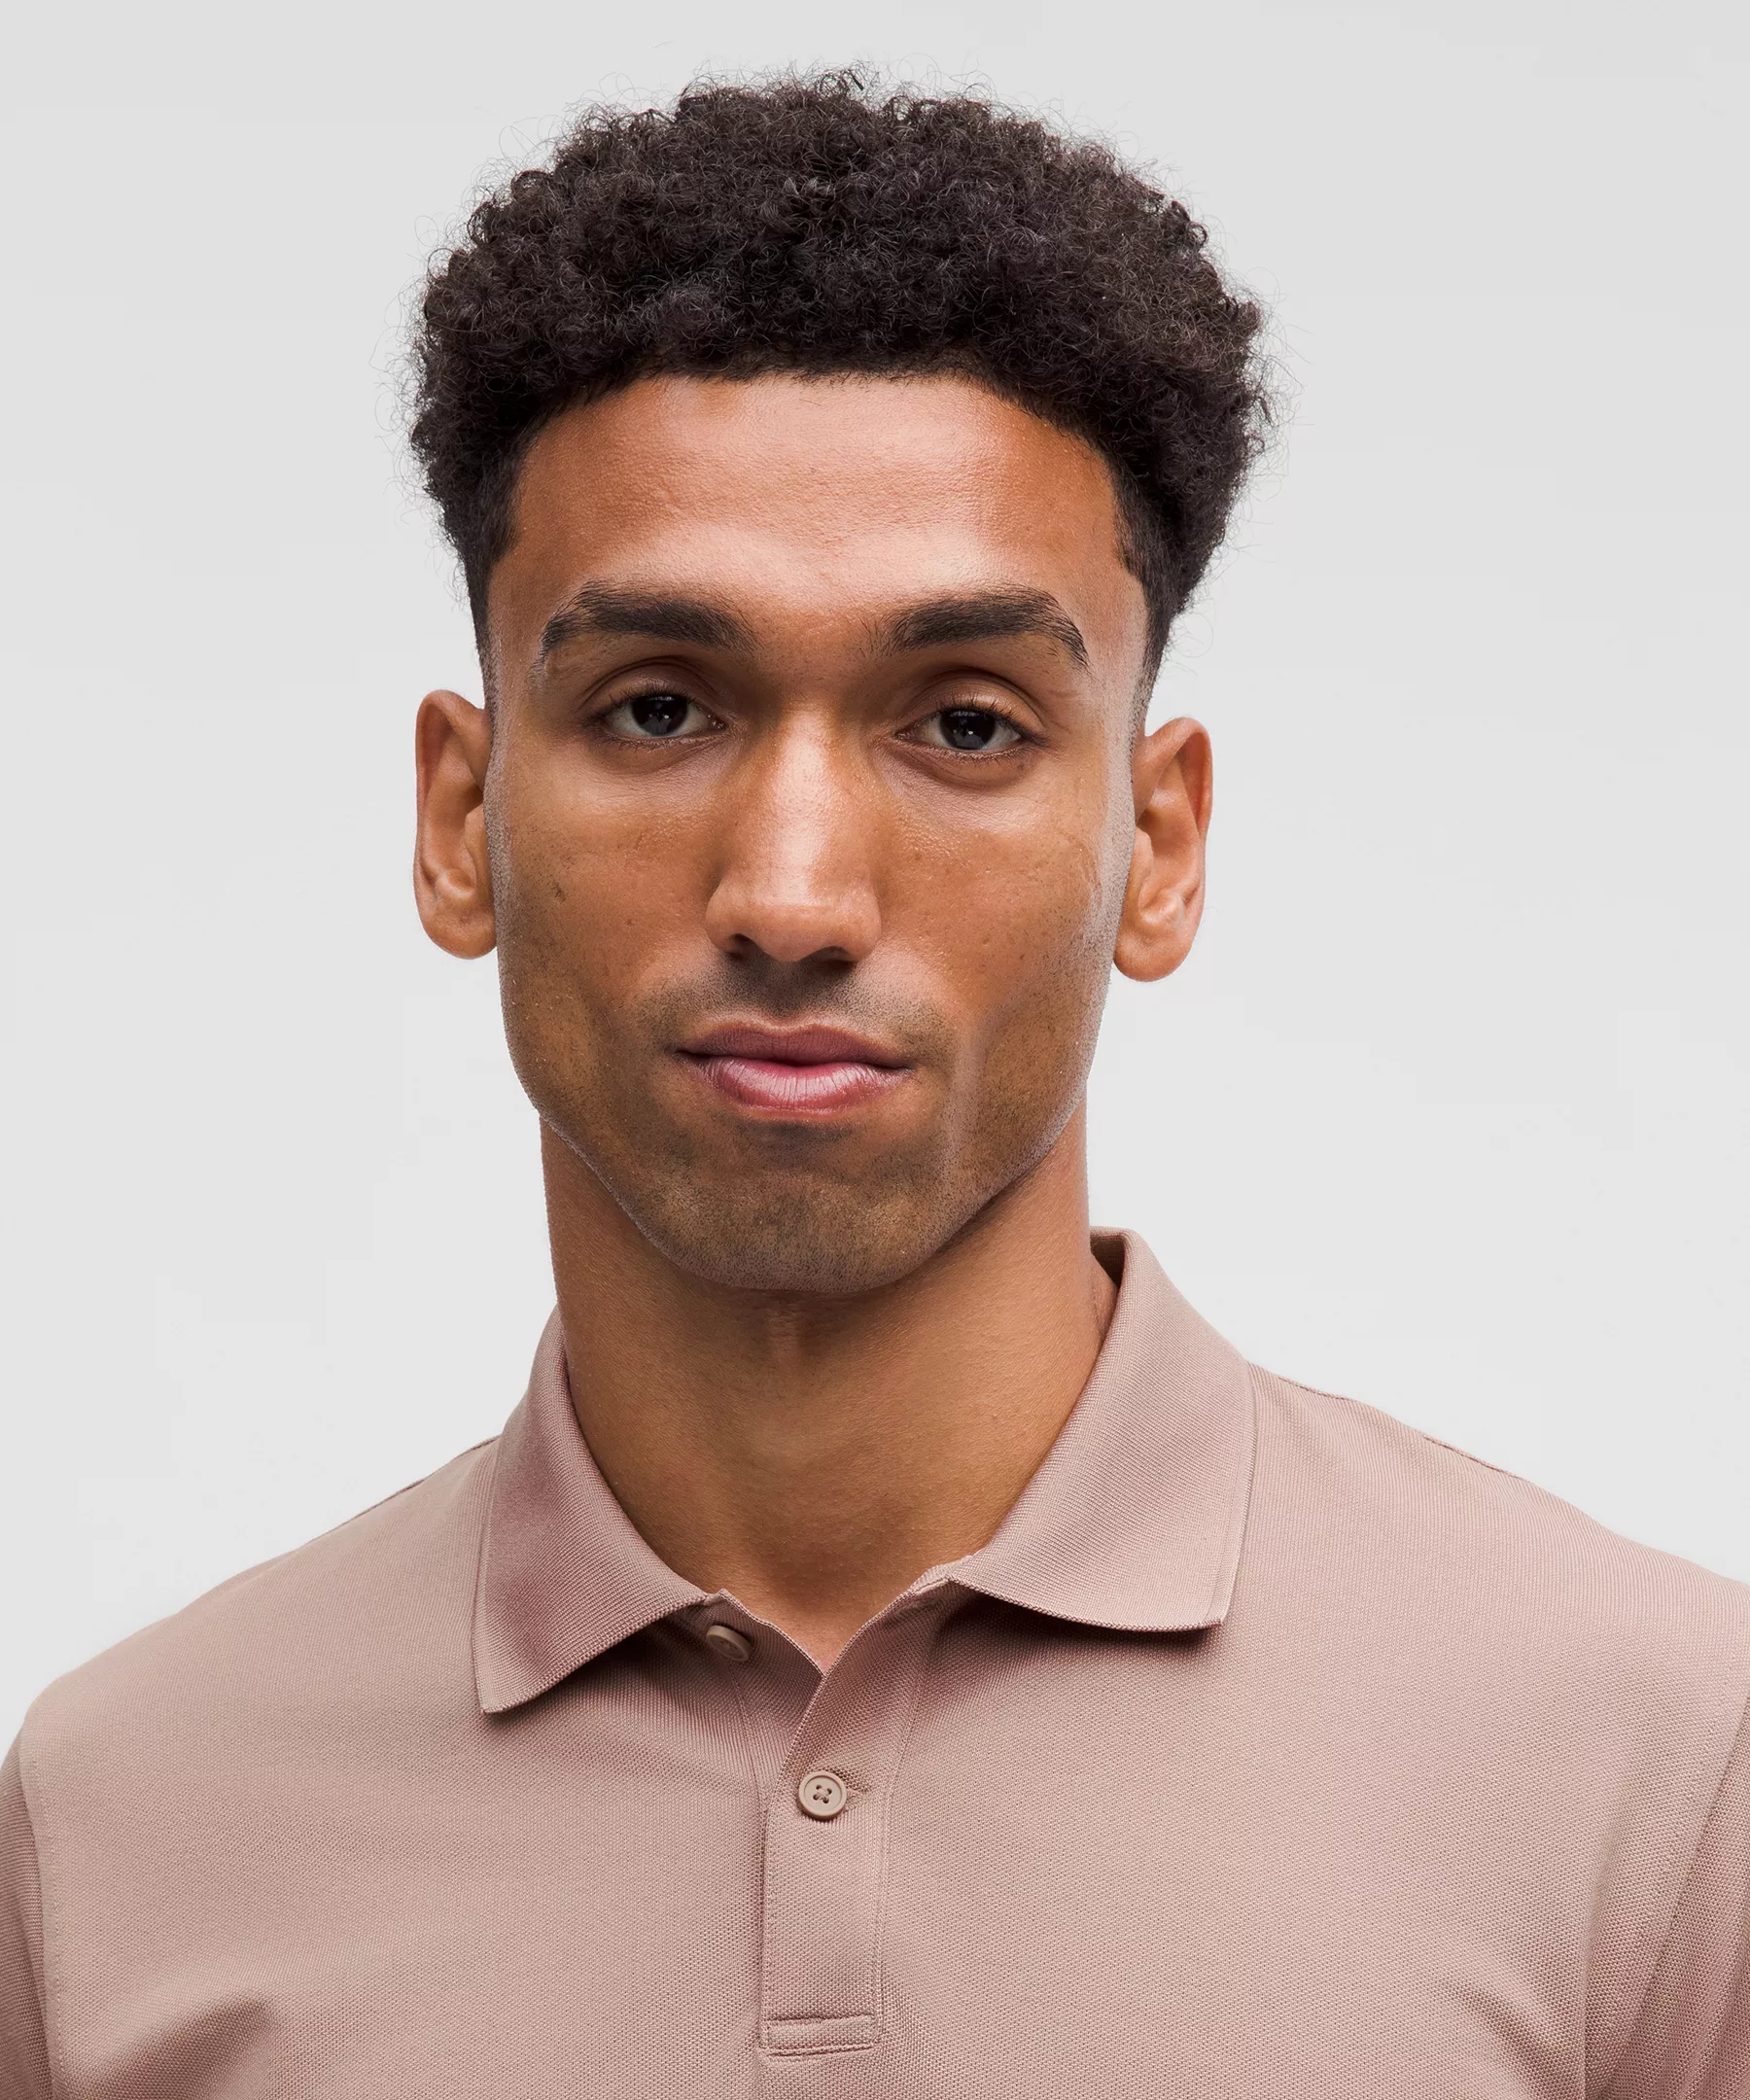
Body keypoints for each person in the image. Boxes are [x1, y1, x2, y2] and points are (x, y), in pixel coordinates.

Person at [3, 72, 1745, 2100]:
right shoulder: (119, 1833)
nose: (795, 894)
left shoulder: (1655, 1774)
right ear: (462, 822)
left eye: (967, 723)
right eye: (659, 706)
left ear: (1159, 846)